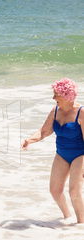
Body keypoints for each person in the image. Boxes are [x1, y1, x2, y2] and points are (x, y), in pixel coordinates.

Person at [22, 78, 84, 223]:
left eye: (56, 94)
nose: (53, 98)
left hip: (80, 155)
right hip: (61, 154)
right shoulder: (55, 111)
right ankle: (67, 218)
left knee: (74, 192)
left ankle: (81, 225)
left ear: (66, 95)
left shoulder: (81, 112)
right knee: (55, 192)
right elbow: (44, 132)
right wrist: (29, 140)